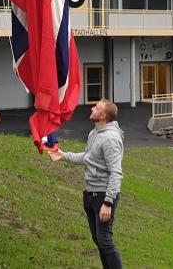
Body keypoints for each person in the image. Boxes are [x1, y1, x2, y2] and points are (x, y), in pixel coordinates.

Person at [49, 99, 125, 268]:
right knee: (98, 240)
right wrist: (63, 155)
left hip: (103, 196)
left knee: (105, 241)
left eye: (96, 107)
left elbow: (116, 172)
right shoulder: (94, 134)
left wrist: (108, 202)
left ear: (103, 115)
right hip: (91, 194)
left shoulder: (110, 138)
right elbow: (88, 158)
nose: (92, 108)